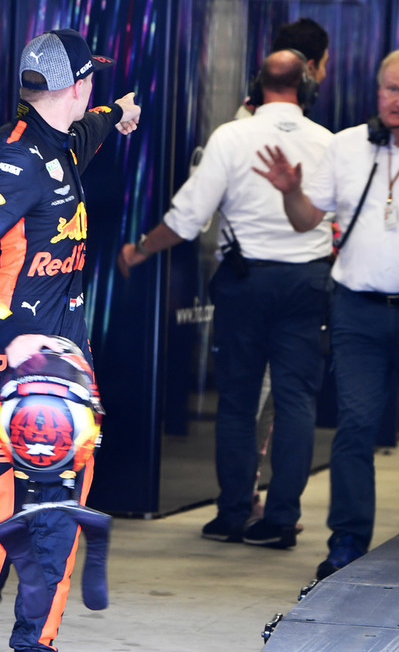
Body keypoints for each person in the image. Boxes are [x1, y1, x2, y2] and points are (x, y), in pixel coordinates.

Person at [0, 28, 140, 652]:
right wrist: (10, 333)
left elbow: (100, 127)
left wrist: (124, 113)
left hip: (69, 369)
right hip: (6, 365)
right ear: (77, 86)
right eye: (96, 86)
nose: (98, 96)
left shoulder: (68, 141)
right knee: (6, 515)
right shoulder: (14, 159)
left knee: (60, 514)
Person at [119, 50, 333, 549]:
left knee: (237, 402)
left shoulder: (231, 137)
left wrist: (140, 248)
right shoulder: (327, 142)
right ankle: (281, 519)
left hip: (246, 285)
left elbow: (188, 218)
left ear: (256, 87)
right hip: (308, 284)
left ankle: (234, 512)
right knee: (296, 402)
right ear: (306, 87)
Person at [254, 47, 399, 579]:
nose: (398, 100)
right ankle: (346, 542)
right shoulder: (346, 147)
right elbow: (304, 221)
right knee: (356, 427)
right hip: (357, 311)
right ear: (376, 90)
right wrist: (292, 191)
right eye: (390, 88)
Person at [236, 17, 330, 521]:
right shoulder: (309, 134)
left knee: (269, 398)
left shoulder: (239, 123)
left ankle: (251, 497)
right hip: (281, 276)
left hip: (255, 276)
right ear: (311, 69)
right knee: (270, 397)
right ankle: (254, 498)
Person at [236, 17, 329, 119]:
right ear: (310, 69)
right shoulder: (316, 133)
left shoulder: (239, 122)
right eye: (323, 65)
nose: (324, 74)